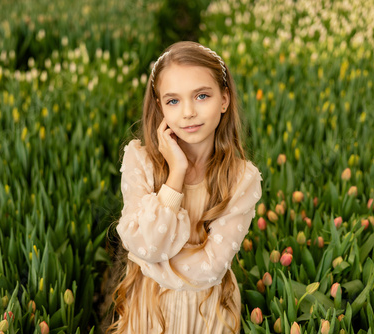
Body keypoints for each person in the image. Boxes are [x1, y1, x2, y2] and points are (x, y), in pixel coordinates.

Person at [107, 41, 263, 334]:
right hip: (149, 312)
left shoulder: (241, 178)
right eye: (173, 101)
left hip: (206, 314)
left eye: (201, 96)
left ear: (225, 99)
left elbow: (211, 268)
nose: (188, 112)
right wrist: (176, 173)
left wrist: (148, 258)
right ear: (159, 106)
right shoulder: (140, 160)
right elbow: (143, 243)